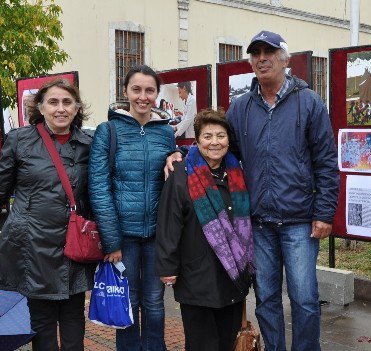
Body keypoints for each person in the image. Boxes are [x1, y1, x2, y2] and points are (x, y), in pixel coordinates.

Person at [168, 31, 339, 350]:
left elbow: (327, 162)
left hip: (300, 222)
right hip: (258, 223)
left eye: (269, 52)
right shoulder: (241, 108)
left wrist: (324, 213)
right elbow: (218, 147)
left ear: (285, 59)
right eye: (255, 53)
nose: (262, 58)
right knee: (267, 299)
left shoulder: (309, 103)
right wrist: (181, 155)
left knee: (304, 299)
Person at [0, 79, 94, 351]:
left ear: (77, 108)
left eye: (67, 102)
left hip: (74, 244)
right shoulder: (20, 140)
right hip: (33, 246)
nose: (60, 109)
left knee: (74, 315)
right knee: (41, 321)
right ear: (40, 107)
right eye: (53, 102)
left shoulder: (89, 143)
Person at [89, 65, 176, 351]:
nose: (142, 96)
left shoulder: (165, 133)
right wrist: (111, 240)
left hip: (156, 235)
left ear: (157, 94)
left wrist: (179, 153)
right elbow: (99, 188)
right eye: (136, 89)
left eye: (149, 90)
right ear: (125, 92)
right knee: (126, 301)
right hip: (122, 237)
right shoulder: (108, 130)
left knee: (153, 302)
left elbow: (173, 177)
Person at [156, 109, 254, 350]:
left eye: (220, 136)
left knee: (226, 342)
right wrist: (168, 266)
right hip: (196, 276)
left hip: (232, 277)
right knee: (201, 343)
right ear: (197, 140)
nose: (214, 142)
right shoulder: (181, 173)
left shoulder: (237, 173)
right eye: (207, 136)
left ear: (228, 140)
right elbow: (169, 222)